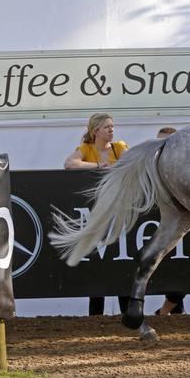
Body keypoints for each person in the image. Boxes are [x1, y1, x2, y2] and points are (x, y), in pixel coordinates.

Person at [64, 113, 130, 315]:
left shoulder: (119, 147)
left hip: (120, 213)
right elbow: (69, 164)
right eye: (106, 127)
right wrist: (98, 166)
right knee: (97, 263)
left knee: (122, 263)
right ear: (95, 132)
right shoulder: (86, 149)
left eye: (112, 126)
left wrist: (113, 167)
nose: (111, 130)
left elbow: (132, 161)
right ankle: (95, 319)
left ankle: (127, 314)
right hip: (96, 215)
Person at [153, 127, 187, 316]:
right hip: (162, 224)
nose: (159, 147)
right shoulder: (153, 165)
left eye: (164, 143)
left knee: (182, 270)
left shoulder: (186, 165)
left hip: (181, 225)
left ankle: (166, 312)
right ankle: (170, 312)